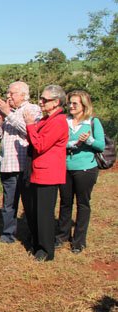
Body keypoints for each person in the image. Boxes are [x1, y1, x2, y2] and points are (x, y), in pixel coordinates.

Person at [0, 81, 42, 243]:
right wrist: (0, 119)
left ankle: (34, 235)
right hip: (7, 164)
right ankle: (8, 234)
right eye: (8, 93)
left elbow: (31, 131)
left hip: (25, 165)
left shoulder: (33, 109)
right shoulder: (7, 112)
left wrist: (9, 114)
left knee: (30, 203)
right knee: (8, 203)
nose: (8, 96)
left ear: (23, 95)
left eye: (12, 93)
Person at [55, 90, 105, 254]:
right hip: (65, 168)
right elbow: (58, 141)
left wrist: (88, 140)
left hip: (85, 169)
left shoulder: (92, 122)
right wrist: (72, 144)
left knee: (83, 204)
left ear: (84, 105)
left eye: (75, 103)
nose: (71, 106)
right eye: (70, 103)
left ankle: (79, 241)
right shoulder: (64, 121)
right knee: (65, 203)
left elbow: (100, 145)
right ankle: (62, 236)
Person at [23, 84, 69, 261]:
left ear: (56, 102)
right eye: (41, 99)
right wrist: (32, 126)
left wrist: (30, 125)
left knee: (44, 214)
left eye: (45, 100)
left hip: (48, 174)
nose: (40, 102)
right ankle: (37, 245)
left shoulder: (57, 122)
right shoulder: (46, 119)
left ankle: (46, 251)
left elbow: (40, 145)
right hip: (39, 172)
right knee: (37, 212)